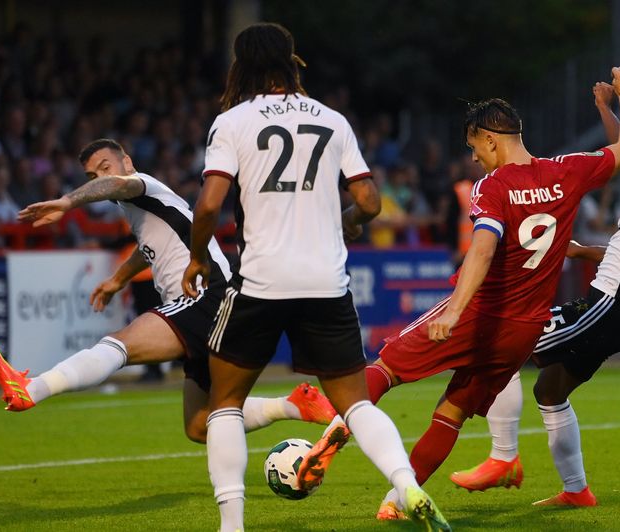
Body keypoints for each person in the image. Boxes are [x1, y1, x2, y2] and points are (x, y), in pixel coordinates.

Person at [310, 67, 620, 521]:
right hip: (523, 332)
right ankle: (394, 504)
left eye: (473, 148)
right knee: (452, 410)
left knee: (384, 369)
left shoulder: (494, 186)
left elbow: (483, 250)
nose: (474, 160)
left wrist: (456, 311)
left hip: (482, 312)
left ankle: (324, 443)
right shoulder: (567, 172)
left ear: (491, 140)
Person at [181, 23, 450, 532]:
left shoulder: (232, 121)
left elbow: (209, 205)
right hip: (327, 283)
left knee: (225, 405)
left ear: (241, 66)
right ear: (290, 61)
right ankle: (407, 483)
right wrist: (343, 222)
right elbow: (369, 201)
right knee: (355, 405)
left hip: (261, 282)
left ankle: (232, 526)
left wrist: (197, 258)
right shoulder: (333, 119)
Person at [0, 138, 336, 444]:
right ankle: (292, 405)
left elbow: (117, 185)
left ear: (127, 163)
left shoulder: (140, 184)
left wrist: (68, 201)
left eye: (105, 167)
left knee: (120, 343)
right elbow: (150, 246)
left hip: (206, 295)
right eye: (92, 176)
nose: (101, 178)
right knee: (199, 425)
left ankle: (32, 389)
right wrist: (119, 278)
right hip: (211, 304)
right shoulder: (144, 208)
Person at [450, 82, 620, 508]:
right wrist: (604, 106)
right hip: (618, 313)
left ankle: (502, 457)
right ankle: (576, 490)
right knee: (549, 390)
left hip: (608, 305)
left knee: (501, 344)